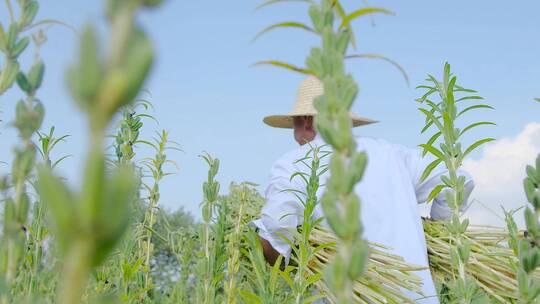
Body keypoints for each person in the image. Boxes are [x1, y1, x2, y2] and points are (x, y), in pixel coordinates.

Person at [251, 76, 474, 303]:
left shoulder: (294, 164)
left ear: (307, 120)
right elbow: (458, 180)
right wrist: (437, 225)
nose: (295, 137)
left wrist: (266, 248)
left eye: (294, 123)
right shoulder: (393, 154)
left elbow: (278, 228)